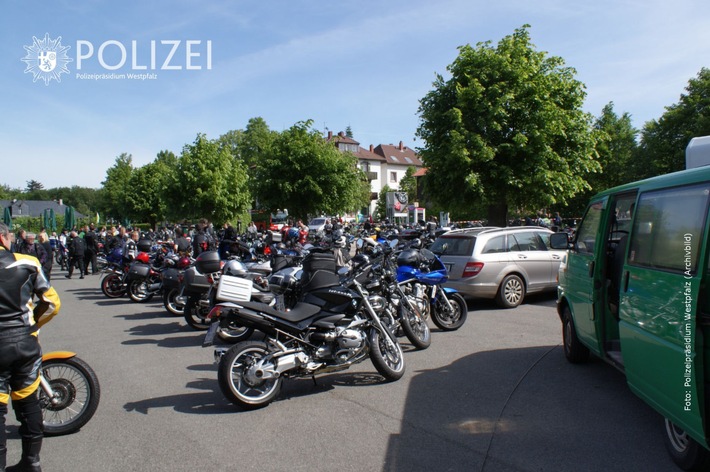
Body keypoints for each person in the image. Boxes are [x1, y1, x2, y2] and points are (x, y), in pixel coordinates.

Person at [0, 222, 61, 471]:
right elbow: (52, 303)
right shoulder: (28, 262)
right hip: (25, 343)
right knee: (28, 403)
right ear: (2, 238)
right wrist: (32, 325)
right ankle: (31, 463)